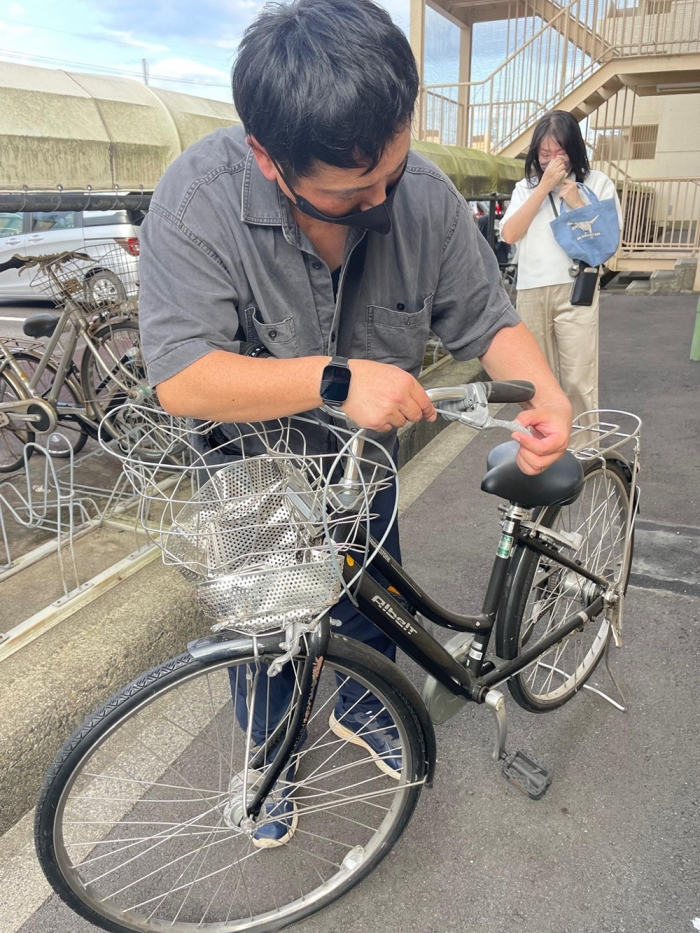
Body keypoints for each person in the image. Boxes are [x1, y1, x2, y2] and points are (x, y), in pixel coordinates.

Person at [138, 0, 572, 846]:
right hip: (252, 474)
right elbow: (182, 378)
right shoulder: (197, 198)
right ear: (268, 156)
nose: (380, 200)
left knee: (379, 598)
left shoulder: (422, 197)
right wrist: (335, 381)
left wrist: (546, 394)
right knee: (268, 634)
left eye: (393, 172)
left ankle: (371, 711)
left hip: (363, 467)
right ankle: (271, 754)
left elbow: (489, 322)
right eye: (350, 191)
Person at [500, 110, 622, 422]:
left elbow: (608, 241)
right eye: (544, 154)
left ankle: (584, 453)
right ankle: (545, 445)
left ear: (574, 149)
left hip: (576, 289)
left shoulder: (597, 183)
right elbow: (510, 233)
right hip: (531, 289)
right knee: (537, 380)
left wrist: (579, 203)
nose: (552, 160)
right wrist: (543, 187)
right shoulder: (525, 188)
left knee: (578, 376)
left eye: (560, 152)